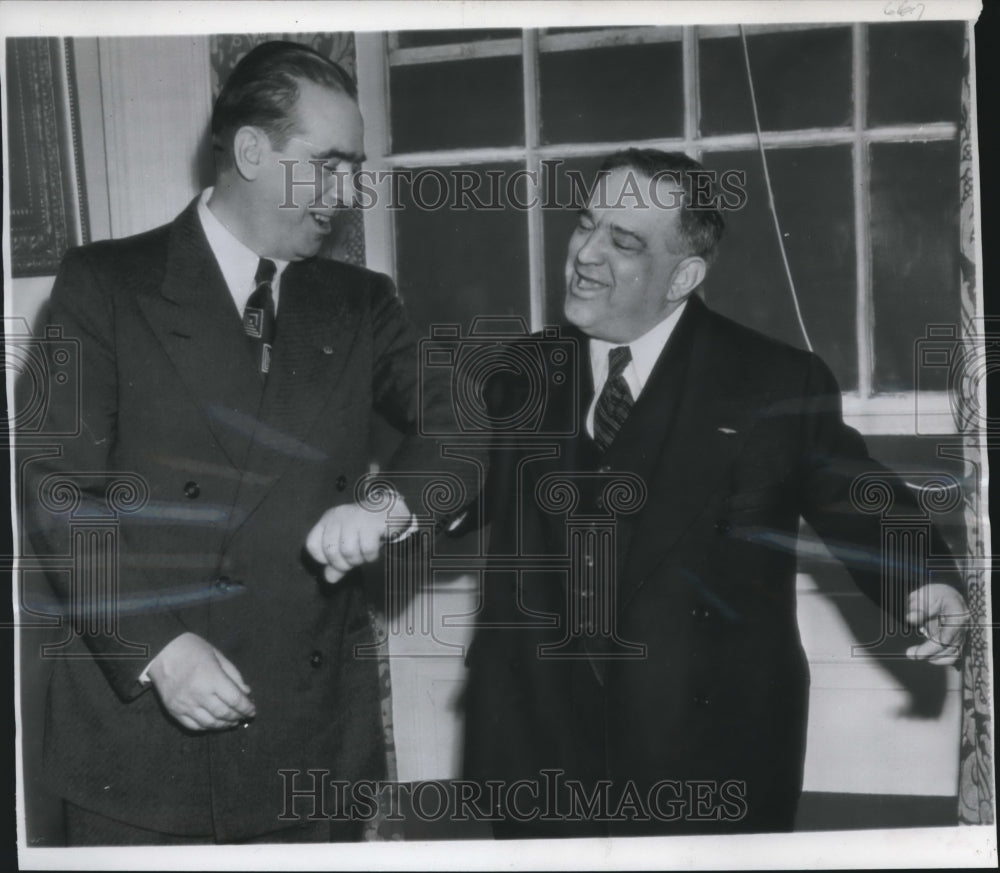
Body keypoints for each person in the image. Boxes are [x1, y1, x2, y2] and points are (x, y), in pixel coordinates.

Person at [20, 41, 477, 844]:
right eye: (329, 164)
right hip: (140, 744)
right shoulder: (102, 284)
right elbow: (60, 489)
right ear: (252, 149)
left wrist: (393, 501)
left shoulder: (361, 303)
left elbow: (469, 423)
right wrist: (158, 649)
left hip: (309, 748)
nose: (347, 192)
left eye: (354, 167)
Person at [460, 149, 968, 837]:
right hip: (541, 753)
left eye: (625, 241)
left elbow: (856, 495)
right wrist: (396, 504)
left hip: (707, 761)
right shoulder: (517, 372)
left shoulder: (770, 381)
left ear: (684, 275)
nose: (585, 253)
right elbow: (456, 478)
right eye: (585, 223)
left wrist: (924, 580)